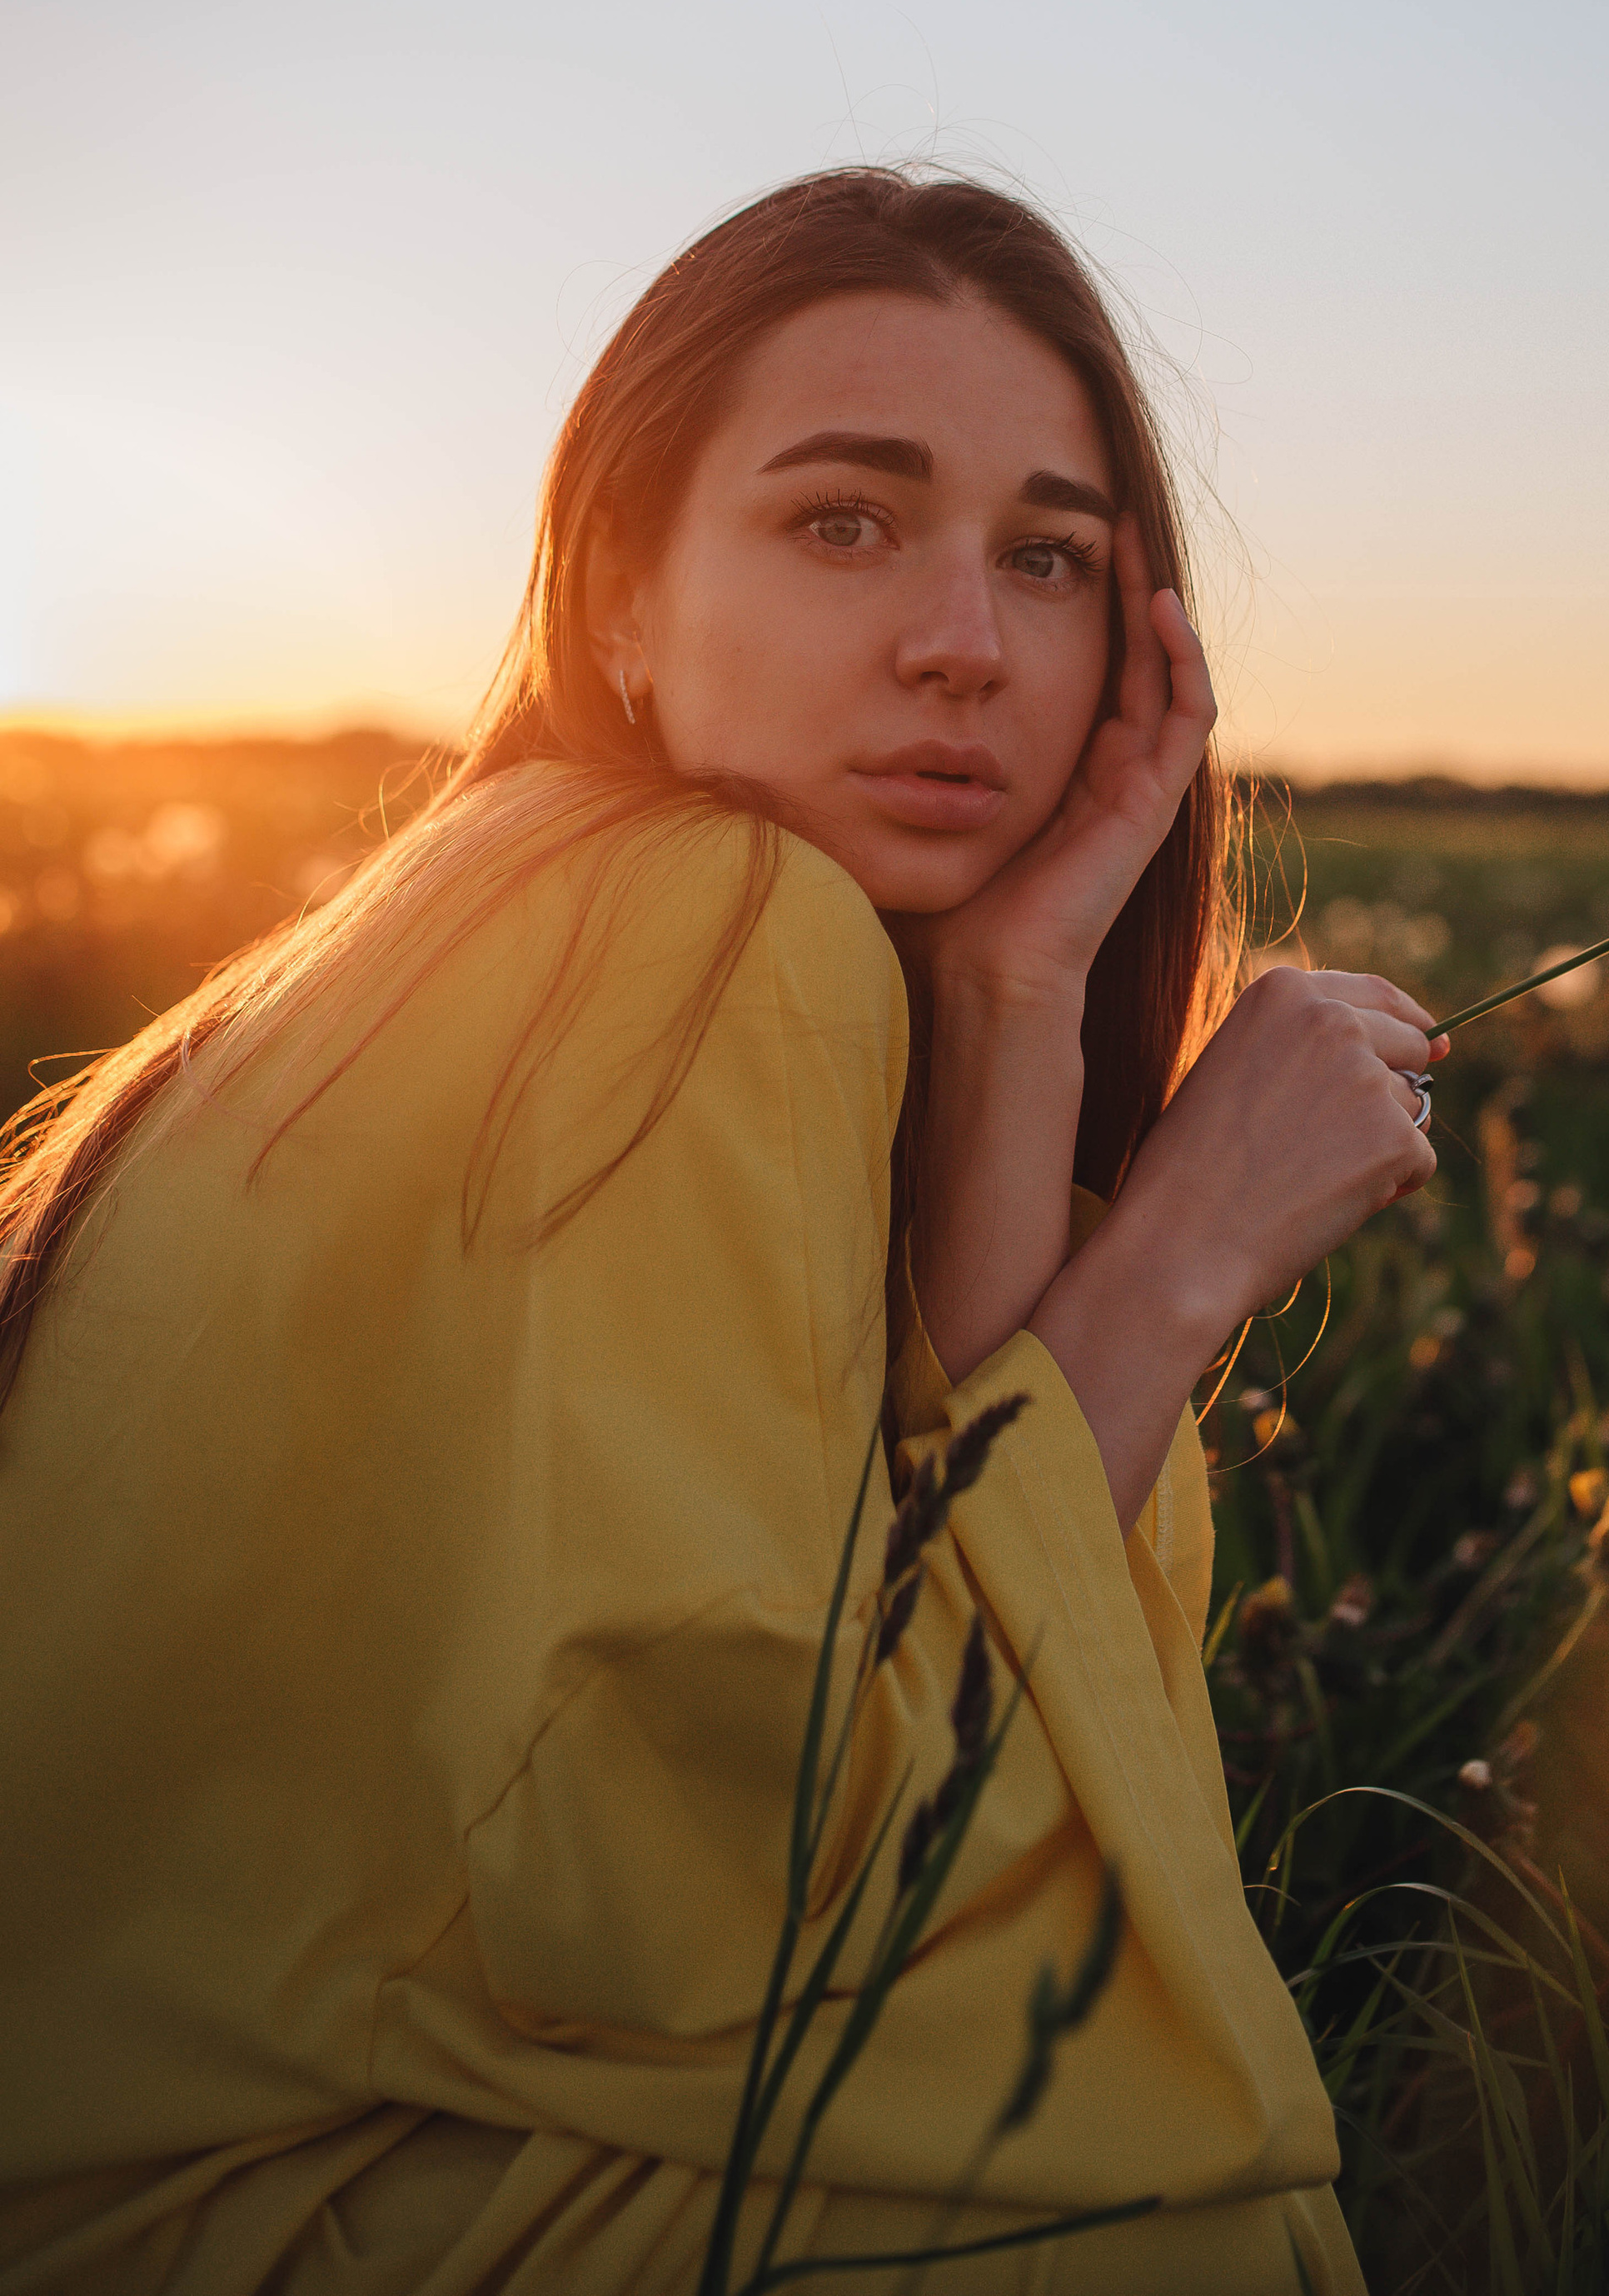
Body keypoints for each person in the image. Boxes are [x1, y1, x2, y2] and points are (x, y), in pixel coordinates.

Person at [0, 170, 1444, 2294]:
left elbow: (886, 1582)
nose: (963, 642)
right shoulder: (696, 921)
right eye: (843, 522)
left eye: (1046, 559)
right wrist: (1174, 1263)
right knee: (1133, 2231)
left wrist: (1019, 991)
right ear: (615, 599)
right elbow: (776, 1902)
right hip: (223, 2211)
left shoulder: (540, 904)